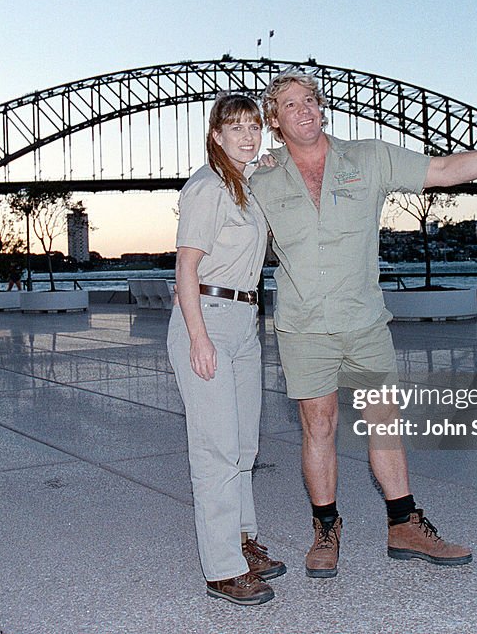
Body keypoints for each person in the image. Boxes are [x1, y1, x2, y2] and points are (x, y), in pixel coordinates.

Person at [251, 72, 477, 578]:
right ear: (275, 119)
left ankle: (404, 525)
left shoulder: (370, 158)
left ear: (322, 107)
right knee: (320, 426)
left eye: (310, 100)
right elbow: (219, 208)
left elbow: (442, 170)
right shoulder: (261, 177)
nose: (304, 110)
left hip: (364, 321)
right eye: (290, 105)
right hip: (303, 325)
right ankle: (326, 530)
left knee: (384, 423)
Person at [166, 93, 285, 605]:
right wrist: (198, 339)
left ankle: (242, 537)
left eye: (253, 125)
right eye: (234, 127)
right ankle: (221, 568)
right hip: (208, 319)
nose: (246, 134)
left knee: (243, 447)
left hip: (244, 320)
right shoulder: (206, 187)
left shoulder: (243, 187)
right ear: (216, 136)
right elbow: (185, 269)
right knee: (215, 449)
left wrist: (268, 168)